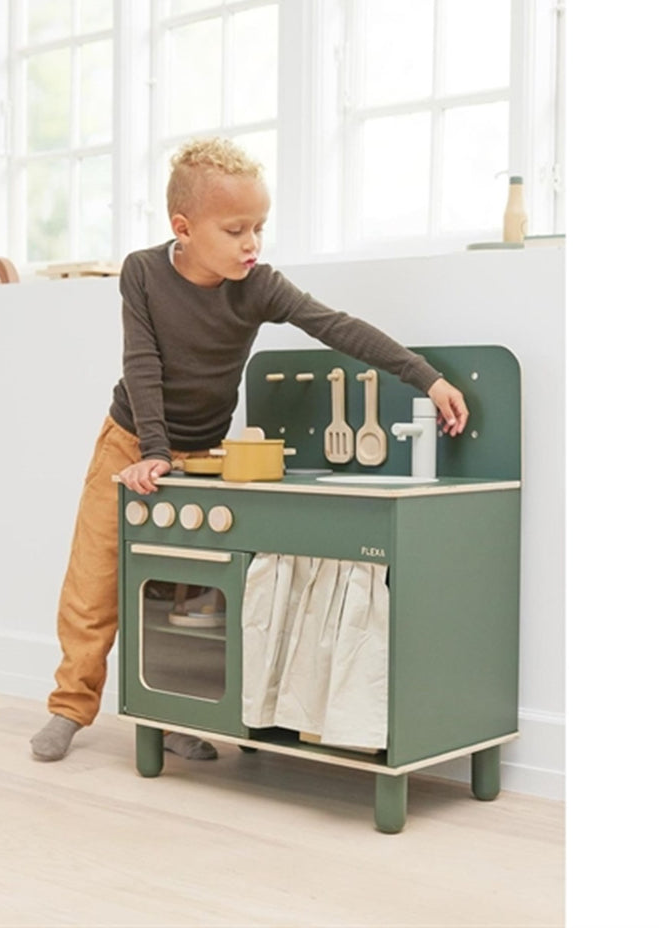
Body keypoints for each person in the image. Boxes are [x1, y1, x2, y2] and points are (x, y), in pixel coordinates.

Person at [31, 137, 469, 763]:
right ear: (183, 228)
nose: (251, 243)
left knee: (185, 591)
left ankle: (172, 712)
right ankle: (69, 707)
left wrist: (426, 377)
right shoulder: (144, 273)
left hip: (207, 452)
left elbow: (337, 327)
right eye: (235, 229)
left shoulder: (258, 286)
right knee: (95, 581)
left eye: (258, 227)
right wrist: (153, 450)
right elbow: (142, 364)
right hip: (131, 441)